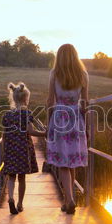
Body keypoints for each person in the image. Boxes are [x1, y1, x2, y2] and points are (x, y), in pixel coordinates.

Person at [46, 43, 88, 214]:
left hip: (59, 117)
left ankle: (69, 200)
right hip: (76, 118)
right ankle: (69, 199)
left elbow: (50, 100)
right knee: (72, 161)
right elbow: (85, 102)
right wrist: (85, 124)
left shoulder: (55, 74)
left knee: (63, 162)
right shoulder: (83, 74)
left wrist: (49, 123)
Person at [1, 82, 42, 215]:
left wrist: (4, 150)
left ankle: (11, 198)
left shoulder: (7, 115)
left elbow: (4, 134)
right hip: (23, 149)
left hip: (11, 149)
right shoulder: (26, 114)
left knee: (11, 177)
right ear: (26, 99)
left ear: (13, 98)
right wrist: (45, 133)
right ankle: (20, 204)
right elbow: (31, 131)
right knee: (22, 178)